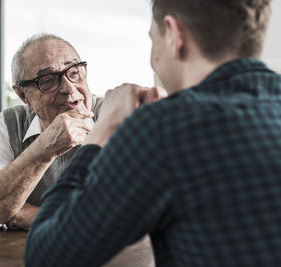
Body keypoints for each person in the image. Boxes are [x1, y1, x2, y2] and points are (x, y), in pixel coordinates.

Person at [25, 1, 281, 266]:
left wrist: (99, 134)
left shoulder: (164, 130)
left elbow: (47, 255)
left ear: (173, 34)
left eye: (152, 38)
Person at [0, 34, 103, 231]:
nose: (69, 88)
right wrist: (46, 147)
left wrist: (33, 215)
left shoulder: (112, 114)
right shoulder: (10, 122)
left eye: (74, 72)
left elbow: (129, 214)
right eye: (48, 80)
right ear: (23, 95)